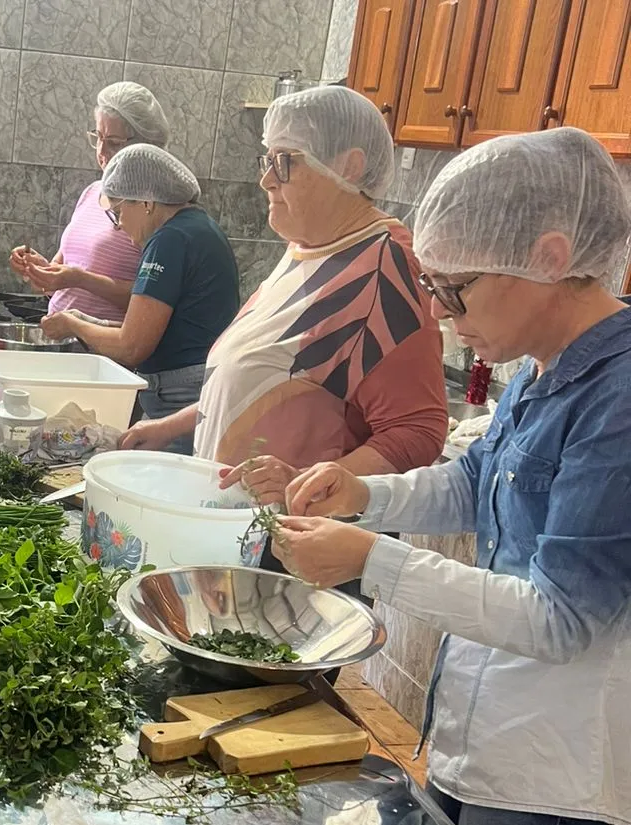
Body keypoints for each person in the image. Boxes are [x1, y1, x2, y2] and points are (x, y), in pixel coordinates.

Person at [275, 127, 631, 825]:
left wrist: (373, 559)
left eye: (454, 289)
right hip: (482, 744)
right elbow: (473, 483)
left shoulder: (620, 398)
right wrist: (364, 496)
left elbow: (562, 620)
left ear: (549, 259)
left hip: (556, 781)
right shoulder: (542, 363)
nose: (438, 311)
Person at [121, 86, 446, 584]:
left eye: (285, 162)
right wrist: (168, 427)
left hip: (298, 546)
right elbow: (263, 378)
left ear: (350, 167)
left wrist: (305, 484)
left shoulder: (385, 267)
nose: (265, 179)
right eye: (266, 159)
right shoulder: (309, 247)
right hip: (240, 530)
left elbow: (418, 431)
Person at [40, 144, 240, 454]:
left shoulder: (169, 239)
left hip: (180, 396)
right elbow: (149, 326)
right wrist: (84, 320)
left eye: (118, 212)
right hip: (193, 389)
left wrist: (72, 325)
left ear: (146, 201)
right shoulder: (198, 227)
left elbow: (131, 346)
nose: (118, 225)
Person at [10, 81, 168, 323]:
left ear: (144, 145)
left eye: (114, 143)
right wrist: (39, 269)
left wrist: (79, 279)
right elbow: (59, 281)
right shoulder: (92, 192)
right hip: (61, 340)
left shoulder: (153, 209)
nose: (102, 150)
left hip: (103, 352)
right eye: (98, 136)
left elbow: (150, 300)